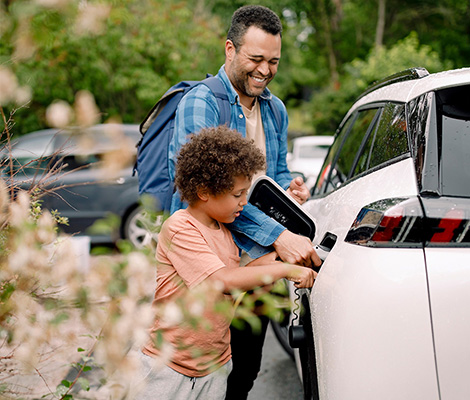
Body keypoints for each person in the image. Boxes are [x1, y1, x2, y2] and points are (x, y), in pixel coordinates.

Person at [167, 5, 322, 399]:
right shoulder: (201, 103)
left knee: (247, 366)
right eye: (256, 59)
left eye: (273, 61)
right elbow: (203, 191)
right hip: (213, 259)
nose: (265, 70)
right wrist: (280, 236)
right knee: (202, 368)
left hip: (261, 258)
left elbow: (277, 173)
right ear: (230, 49)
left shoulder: (275, 109)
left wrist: (291, 192)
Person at [137, 127, 316, 400]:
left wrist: (280, 260)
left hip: (215, 365)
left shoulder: (225, 229)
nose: (244, 202)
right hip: (169, 366)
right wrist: (285, 269)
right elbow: (220, 280)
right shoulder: (180, 228)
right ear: (204, 191)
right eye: (237, 194)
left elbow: (237, 275)